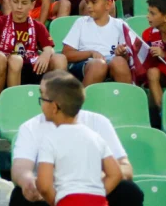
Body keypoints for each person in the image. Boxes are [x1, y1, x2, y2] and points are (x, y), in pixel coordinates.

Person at [7, 71, 143, 206]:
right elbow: (21, 168)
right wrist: (29, 182)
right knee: (20, 196)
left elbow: (124, 169)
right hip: (56, 195)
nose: (41, 102)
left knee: (129, 191)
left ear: (54, 106)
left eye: (42, 97)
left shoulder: (98, 123)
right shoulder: (30, 127)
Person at [33, 73, 123, 206]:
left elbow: (44, 185)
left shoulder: (50, 139)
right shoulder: (95, 136)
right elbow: (116, 174)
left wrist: (57, 201)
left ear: (54, 107)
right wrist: (98, 194)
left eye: (43, 99)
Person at [0, 0, 66, 87]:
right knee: (16, 60)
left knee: (59, 58)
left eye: (24, 3)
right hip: (8, 67)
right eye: (16, 2)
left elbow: (49, 48)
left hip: (32, 66)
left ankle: (55, 100)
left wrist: (45, 55)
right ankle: (14, 100)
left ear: (32, 5)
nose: (19, 7)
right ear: (10, 1)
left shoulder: (37, 26)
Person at [137, 0, 166, 108]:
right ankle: (164, 112)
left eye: (152, 13)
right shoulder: (147, 34)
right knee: (152, 72)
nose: (147, 16)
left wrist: (164, 55)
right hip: (161, 73)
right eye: (148, 12)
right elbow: (149, 63)